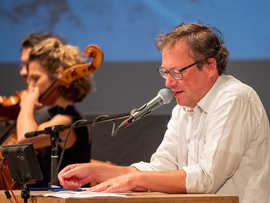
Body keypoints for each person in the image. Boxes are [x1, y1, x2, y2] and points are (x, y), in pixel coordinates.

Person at [58, 23, 270, 202]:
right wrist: (96, 172)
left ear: (209, 67)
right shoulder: (183, 107)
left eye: (177, 72)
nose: (168, 82)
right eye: (165, 72)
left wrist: (135, 180)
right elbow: (160, 170)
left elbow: (206, 178)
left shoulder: (234, 99)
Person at [17, 38, 93, 187]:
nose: (30, 86)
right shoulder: (54, 117)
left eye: (35, 78)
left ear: (58, 75)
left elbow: (25, 138)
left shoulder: (67, 122)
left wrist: (26, 105)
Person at [20, 33, 67, 124]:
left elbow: (24, 137)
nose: (23, 72)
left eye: (28, 65)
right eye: (22, 65)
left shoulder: (49, 115)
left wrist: (26, 109)